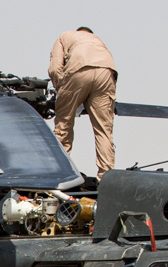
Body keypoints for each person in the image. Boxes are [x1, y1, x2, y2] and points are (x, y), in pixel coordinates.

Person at [48, 27, 118, 178]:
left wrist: (61, 90)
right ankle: (106, 178)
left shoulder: (64, 36)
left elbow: (55, 69)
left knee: (63, 126)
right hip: (106, 71)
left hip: (78, 68)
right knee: (103, 130)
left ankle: (59, 174)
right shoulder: (97, 40)